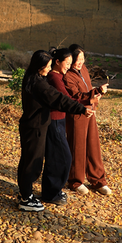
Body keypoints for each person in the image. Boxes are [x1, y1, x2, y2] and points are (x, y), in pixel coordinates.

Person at [17, 50, 93, 213]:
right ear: (40, 66)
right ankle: (26, 198)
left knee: (27, 159)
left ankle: (25, 193)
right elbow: (58, 98)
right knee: (33, 162)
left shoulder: (32, 77)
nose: (50, 69)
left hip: (31, 125)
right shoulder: (39, 83)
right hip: (35, 127)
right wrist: (80, 108)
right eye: (48, 66)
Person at [43, 47, 98, 205]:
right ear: (58, 62)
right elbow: (65, 99)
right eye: (67, 63)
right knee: (62, 156)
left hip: (59, 118)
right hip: (54, 120)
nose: (69, 66)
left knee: (58, 156)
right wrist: (83, 107)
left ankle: (53, 191)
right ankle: (53, 191)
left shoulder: (59, 75)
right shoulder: (55, 78)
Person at [64, 44, 111, 196]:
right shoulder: (67, 75)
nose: (80, 62)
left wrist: (97, 96)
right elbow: (76, 96)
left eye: (83, 59)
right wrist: (96, 92)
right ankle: (76, 181)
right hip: (77, 113)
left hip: (90, 111)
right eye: (78, 60)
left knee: (93, 146)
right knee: (77, 147)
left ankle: (98, 180)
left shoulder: (83, 70)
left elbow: (87, 91)